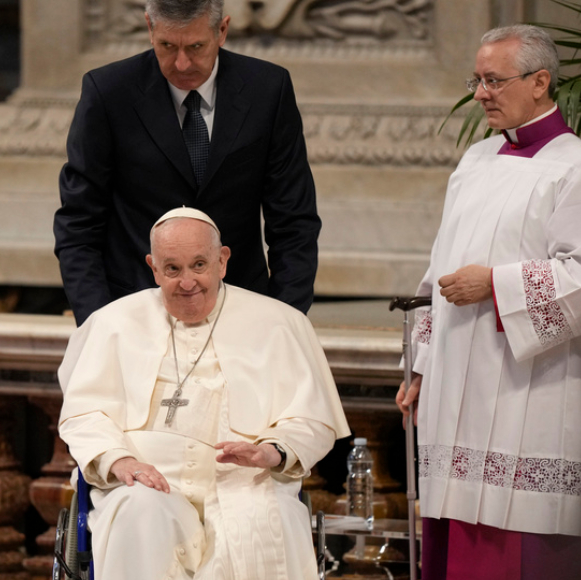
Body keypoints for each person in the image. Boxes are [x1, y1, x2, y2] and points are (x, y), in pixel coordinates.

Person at [395, 25, 581, 579]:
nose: (481, 93)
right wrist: (422, 367)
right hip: (458, 388)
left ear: (540, 82)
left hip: (533, 392)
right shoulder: (475, 162)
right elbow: (438, 271)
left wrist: (496, 285)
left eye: (494, 80)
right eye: (476, 80)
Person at [57, 207, 349, 580]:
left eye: (199, 265)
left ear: (222, 261)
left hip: (247, 482)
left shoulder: (280, 323)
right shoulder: (111, 323)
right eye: (172, 268)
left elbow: (311, 419)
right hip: (144, 483)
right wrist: (120, 460)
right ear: (153, 268)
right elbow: (83, 415)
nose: (187, 282)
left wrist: (273, 450)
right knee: (139, 515)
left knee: (266, 523)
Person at [54, 0, 320, 326]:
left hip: (243, 312)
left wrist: (284, 322)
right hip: (134, 314)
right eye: (167, 46)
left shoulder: (267, 90)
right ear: (150, 28)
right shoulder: (109, 93)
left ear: (222, 30)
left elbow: (294, 223)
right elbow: (79, 223)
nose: (181, 64)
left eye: (195, 47)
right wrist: (100, 323)